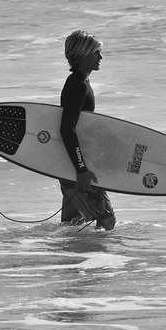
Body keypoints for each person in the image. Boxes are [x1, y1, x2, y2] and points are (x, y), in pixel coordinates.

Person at [58, 30, 116, 230]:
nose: (100, 57)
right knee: (106, 220)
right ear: (83, 55)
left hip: (69, 164)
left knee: (72, 225)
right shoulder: (78, 85)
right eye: (96, 52)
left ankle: (71, 259)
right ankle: (98, 260)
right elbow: (66, 129)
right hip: (75, 167)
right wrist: (81, 169)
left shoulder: (79, 82)